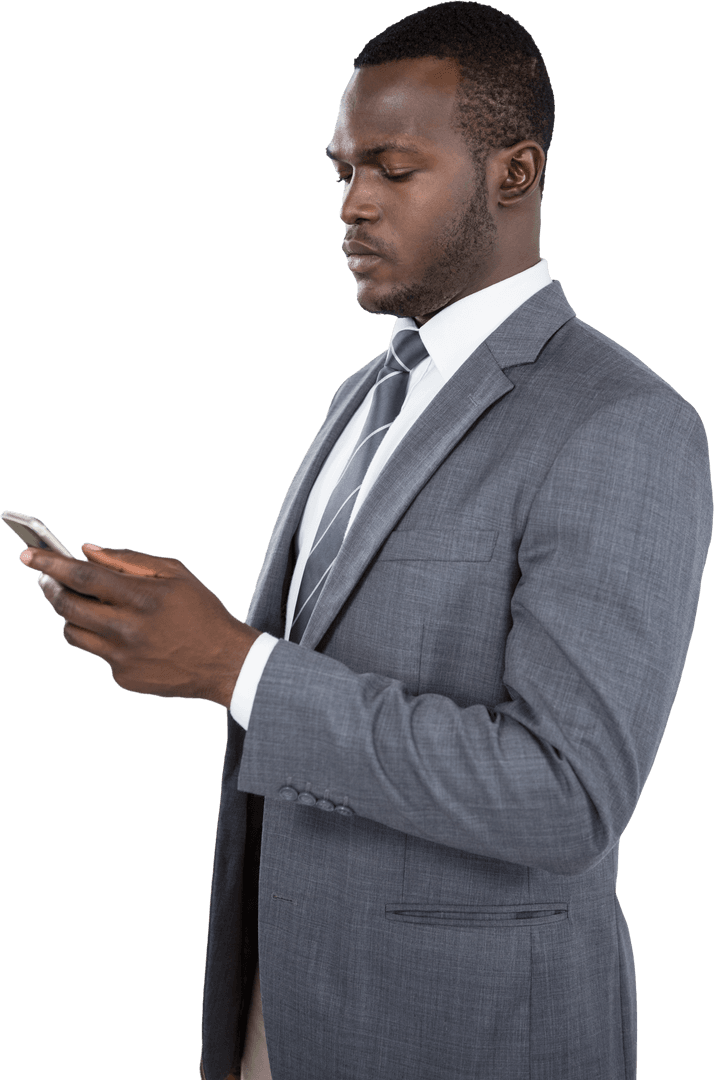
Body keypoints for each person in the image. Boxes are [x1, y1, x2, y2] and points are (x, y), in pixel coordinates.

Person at [18, 4, 712, 1079]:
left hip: (467, 1037)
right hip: (280, 1012)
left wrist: (236, 668)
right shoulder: (368, 391)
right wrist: (176, 635)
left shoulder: (622, 423)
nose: (352, 203)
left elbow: (568, 795)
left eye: (392, 168)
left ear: (515, 173)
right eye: (342, 171)